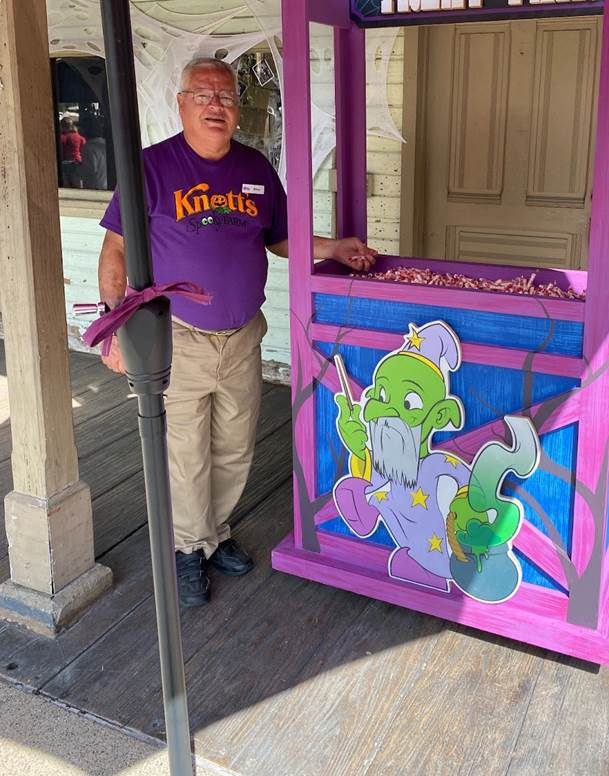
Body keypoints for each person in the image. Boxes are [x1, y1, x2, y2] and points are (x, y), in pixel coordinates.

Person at [98, 56, 377, 607]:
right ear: (181, 103)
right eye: (203, 95)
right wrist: (114, 329)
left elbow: (281, 239)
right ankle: (187, 549)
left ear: (237, 109)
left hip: (244, 334)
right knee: (185, 450)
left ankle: (214, 533)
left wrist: (334, 248)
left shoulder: (255, 168)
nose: (215, 105)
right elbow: (116, 250)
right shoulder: (150, 167)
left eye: (225, 96)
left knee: (233, 445)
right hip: (179, 336)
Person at [80, 116, 108, 190]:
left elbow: (90, 170)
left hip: (95, 187)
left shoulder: (88, 148)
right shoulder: (106, 144)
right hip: (107, 186)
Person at [60, 116, 86, 188]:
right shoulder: (79, 137)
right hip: (77, 162)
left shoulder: (62, 137)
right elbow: (84, 146)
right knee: (78, 186)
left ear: (62, 126)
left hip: (65, 163)